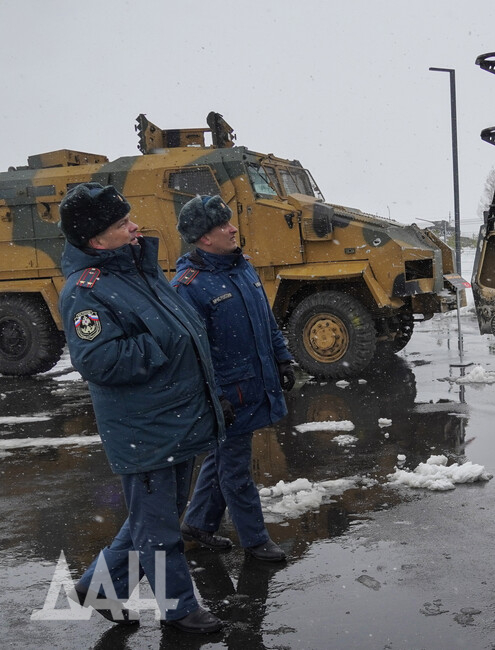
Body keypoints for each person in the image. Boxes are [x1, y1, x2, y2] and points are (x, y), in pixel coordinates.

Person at [58, 182, 231, 634]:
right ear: (97, 240)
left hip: (173, 417)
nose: (134, 226)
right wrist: (160, 346)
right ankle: (178, 610)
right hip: (146, 428)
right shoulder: (87, 290)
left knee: (153, 517)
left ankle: (97, 585)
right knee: (158, 529)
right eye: (121, 224)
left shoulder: (137, 270)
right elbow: (96, 359)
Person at [172, 195, 295, 563]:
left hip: (254, 383)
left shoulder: (242, 267)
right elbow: (192, 355)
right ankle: (255, 541)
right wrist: (216, 397)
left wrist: (283, 358)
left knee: (224, 458)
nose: (232, 228)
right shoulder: (187, 286)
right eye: (222, 225)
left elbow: (266, 320)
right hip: (227, 394)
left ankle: (198, 525)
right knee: (236, 469)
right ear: (204, 239)